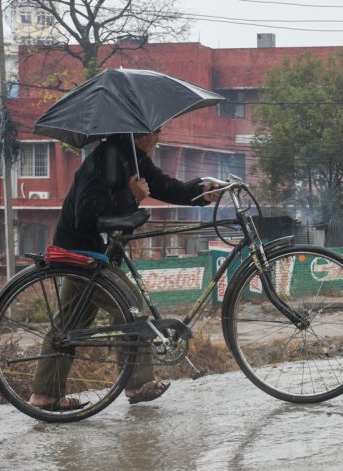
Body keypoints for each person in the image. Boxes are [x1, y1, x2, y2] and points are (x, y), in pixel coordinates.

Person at [29, 129, 219, 411]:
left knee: (69, 324)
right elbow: (86, 211)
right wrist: (131, 195)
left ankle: (45, 395)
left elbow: (167, 187)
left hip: (95, 252)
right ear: (136, 133)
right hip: (80, 252)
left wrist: (203, 193)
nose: (158, 139)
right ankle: (137, 384)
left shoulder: (134, 157)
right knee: (128, 303)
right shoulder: (105, 158)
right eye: (154, 133)